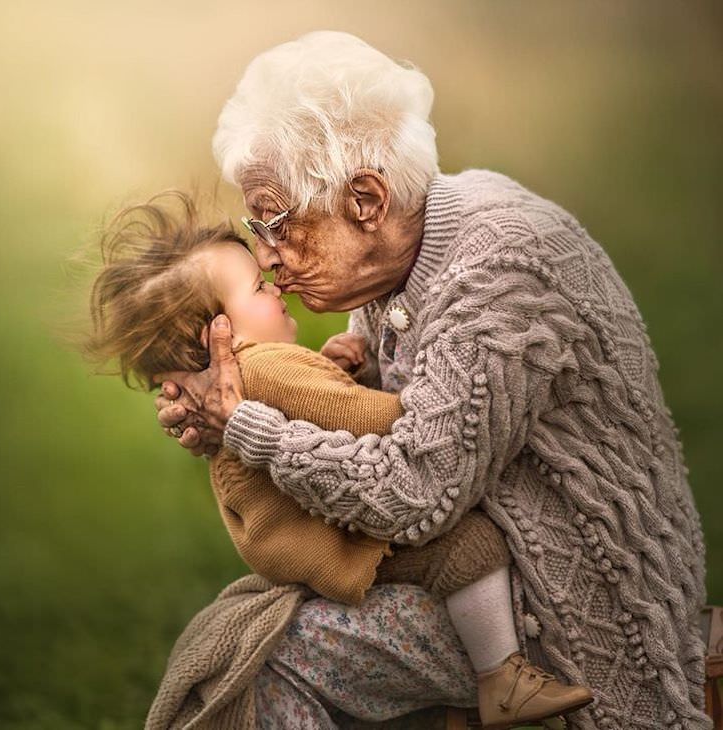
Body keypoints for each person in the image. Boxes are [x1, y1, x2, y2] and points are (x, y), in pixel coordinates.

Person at [156, 31, 710, 730]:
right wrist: (226, 406)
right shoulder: (403, 245)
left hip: (569, 602)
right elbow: (396, 358)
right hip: (477, 571)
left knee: (259, 660)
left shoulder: (502, 272)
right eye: (255, 226)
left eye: (275, 222)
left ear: (365, 198)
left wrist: (246, 426)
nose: (266, 257)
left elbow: (413, 492)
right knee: (239, 631)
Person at [84, 191, 593, 729]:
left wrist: (335, 368)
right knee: (470, 545)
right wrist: (425, 402)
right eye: (257, 288)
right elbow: (356, 416)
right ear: (218, 335)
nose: (275, 286)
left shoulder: (263, 373)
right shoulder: (268, 370)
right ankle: (503, 676)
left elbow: (314, 410)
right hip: (345, 548)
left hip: (306, 545)